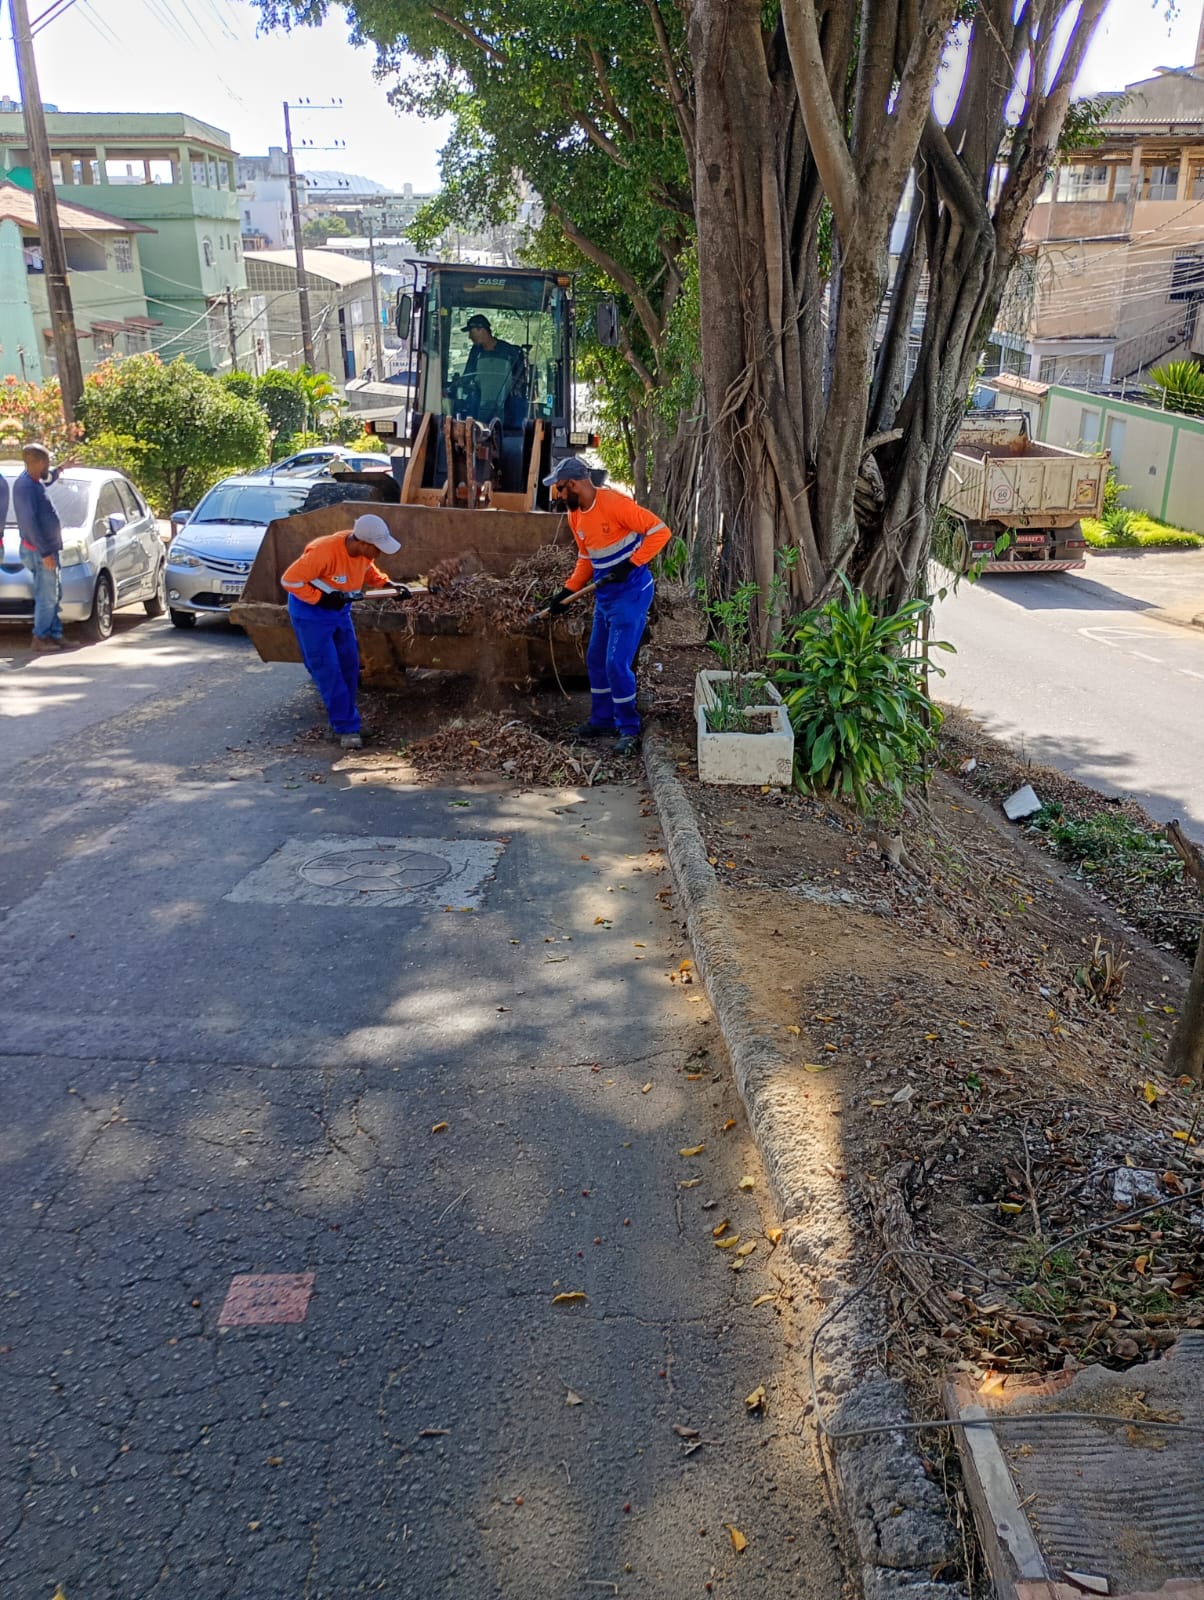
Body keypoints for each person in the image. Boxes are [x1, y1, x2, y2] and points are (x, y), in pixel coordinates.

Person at [542, 458, 672, 756]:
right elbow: (586, 559)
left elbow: (661, 531)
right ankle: (602, 720)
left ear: (573, 484)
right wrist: (567, 591)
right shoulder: (575, 517)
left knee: (616, 663)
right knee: (596, 659)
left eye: (560, 489)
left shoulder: (615, 504)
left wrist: (633, 563)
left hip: (631, 592)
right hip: (606, 595)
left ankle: (629, 728)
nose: (558, 496)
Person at [280, 512, 401, 749]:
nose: (380, 553)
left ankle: (346, 718)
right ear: (362, 543)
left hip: (339, 611)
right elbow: (290, 580)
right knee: (329, 669)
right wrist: (319, 599)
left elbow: (369, 572)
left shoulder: (363, 555)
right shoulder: (324, 552)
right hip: (311, 614)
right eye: (377, 548)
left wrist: (389, 586)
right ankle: (345, 726)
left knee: (349, 665)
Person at [15, 442, 68, 652]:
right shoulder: (26, 486)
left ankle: (55, 635)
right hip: (39, 550)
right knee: (47, 597)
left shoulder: (34, 481)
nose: (49, 465)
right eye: (46, 462)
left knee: (54, 593)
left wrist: (61, 469)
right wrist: (45, 551)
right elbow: (29, 522)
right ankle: (39, 638)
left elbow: (47, 479)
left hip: (47, 549)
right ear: (37, 463)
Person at [462, 314, 527, 423]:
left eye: (471, 332)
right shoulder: (475, 352)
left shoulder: (511, 352)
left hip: (507, 411)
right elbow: (467, 376)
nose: (469, 337)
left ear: (481, 330)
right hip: (479, 408)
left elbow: (520, 382)